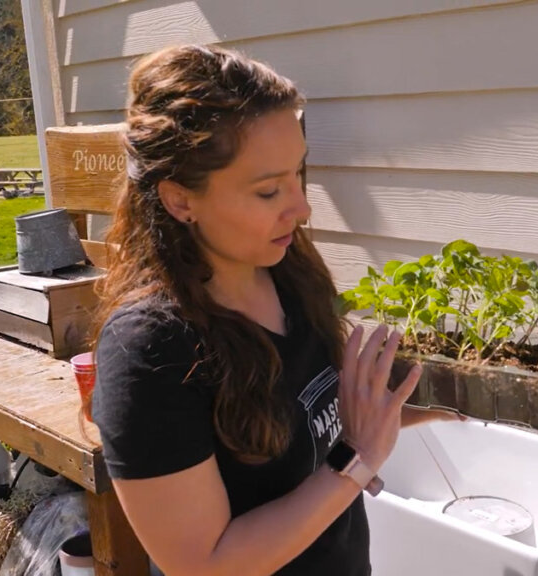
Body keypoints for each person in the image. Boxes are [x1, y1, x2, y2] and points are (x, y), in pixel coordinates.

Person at [89, 44, 459, 576]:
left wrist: (465, 397)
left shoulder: (286, 271)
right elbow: (203, 564)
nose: (302, 208)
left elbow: (316, 413)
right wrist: (356, 460)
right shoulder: (152, 349)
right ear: (179, 200)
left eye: (298, 175)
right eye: (268, 191)